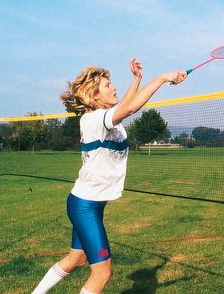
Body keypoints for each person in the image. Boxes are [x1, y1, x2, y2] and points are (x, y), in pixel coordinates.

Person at [31, 59, 187, 294]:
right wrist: (163, 78)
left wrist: (137, 79)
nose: (113, 87)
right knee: (103, 274)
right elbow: (130, 108)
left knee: (77, 259)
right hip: (85, 206)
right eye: (107, 85)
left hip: (87, 203)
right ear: (94, 97)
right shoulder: (93, 119)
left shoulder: (104, 117)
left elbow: (125, 105)